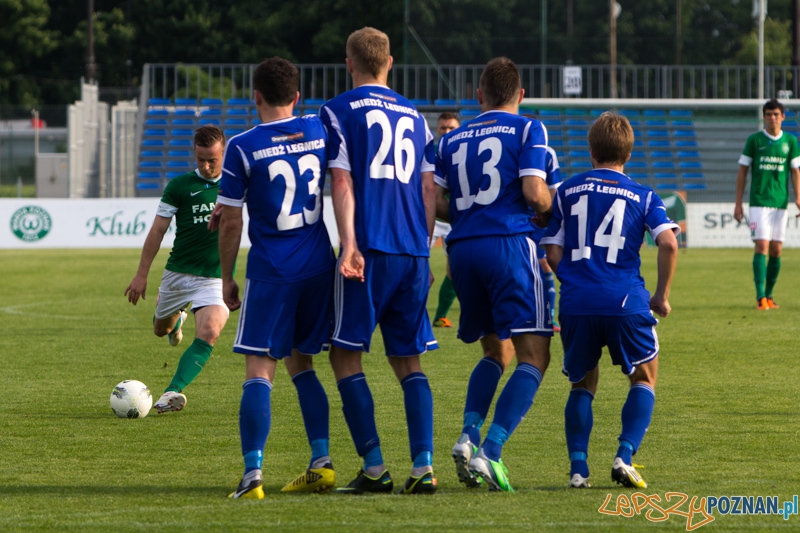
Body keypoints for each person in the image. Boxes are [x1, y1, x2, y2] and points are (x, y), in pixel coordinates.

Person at [319, 27, 439, 495]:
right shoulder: (417, 117)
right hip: (412, 251)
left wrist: (349, 244)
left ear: (349, 64)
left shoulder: (338, 110)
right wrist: (424, 247)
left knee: (345, 356)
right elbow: (428, 188)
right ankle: (423, 467)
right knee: (409, 362)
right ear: (390, 63)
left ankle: (374, 467)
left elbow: (341, 181)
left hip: (368, 250)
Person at [216, 57, 336, 499]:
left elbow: (231, 222)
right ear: (297, 96)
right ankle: (321, 462)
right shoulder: (319, 130)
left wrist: (226, 277)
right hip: (319, 264)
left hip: (273, 270)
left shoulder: (243, 146)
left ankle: (252, 476)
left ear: (256, 97)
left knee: (259, 370)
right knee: (303, 364)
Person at [541, 112, 679, 489]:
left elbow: (551, 251)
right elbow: (668, 243)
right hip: (625, 300)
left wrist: (574, 281)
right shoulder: (643, 195)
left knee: (582, 384)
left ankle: (578, 469)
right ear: (628, 154)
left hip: (576, 303)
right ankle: (624, 456)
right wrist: (661, 296)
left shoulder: (566, 191)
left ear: (590, 150)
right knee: (644, 377)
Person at [435, 57, 553, 492]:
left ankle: (469, 435)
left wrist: (470, 214)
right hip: (508, 245)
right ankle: (492, 450)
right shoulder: (529, 128)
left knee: (494, 352)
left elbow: (438, 201)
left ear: (479, 95)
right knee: (534, 356)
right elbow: (534, 193)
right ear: (520, 94)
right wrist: (549, 212)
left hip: (464, 250)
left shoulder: (451, 139)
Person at [124, 125, 230, 414]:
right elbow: (158, 230)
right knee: (161, 330)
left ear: (224, 153)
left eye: (212, 160)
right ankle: (177, 321)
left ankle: (172, 391)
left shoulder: (236, 185)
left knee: (210, 331)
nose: (206, 166)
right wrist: (141, 274)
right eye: (200, 160)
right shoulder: (180, 186)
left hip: (214, 277)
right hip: (178, 274)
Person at [733, 98, 800, 310]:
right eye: (768, 114)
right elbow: (742, 171)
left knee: (776, 250)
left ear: (783, 117)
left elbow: (795, 171)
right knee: (761, 245)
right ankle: (760, 296)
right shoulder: (755, 140)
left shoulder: (790, 141)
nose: (772, 118)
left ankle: (770, 295)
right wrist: (738, 203)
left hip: (780, 202)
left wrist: (798, 197)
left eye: (776, 114)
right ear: (763, 117)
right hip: (759, 201)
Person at [431, 112, 460, 328]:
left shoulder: (464, 151)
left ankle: (440, 316)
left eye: (451, 128)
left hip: (453, 217)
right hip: (428, 216)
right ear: (437, 130)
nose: (447, 132)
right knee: (416, 268)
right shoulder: (427, 153)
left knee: (454, 270)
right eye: (443, 128)